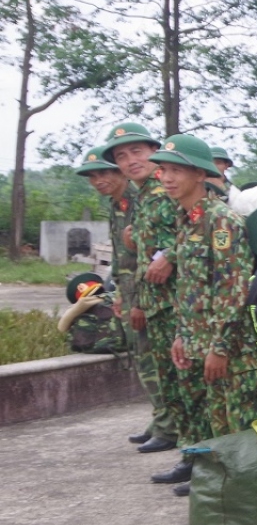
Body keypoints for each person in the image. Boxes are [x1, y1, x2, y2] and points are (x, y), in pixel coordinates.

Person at [145, 135, 257, 495]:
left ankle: (246, 497)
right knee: (211, 424)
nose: (167, 178)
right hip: (200, 341)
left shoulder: (221, 221)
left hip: (234, 350)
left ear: (200, 174)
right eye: (163, 170)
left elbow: (234, 290)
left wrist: (220, 346)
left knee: (242, 432)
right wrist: (182, 335)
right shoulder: (188, 220)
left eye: (176, 170)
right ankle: (211, 480)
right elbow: (190, 287)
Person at [101, 123, 185, 455]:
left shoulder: (167, 189)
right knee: (161, 368)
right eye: (122, 156)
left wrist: (170, 256)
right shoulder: (143, 195)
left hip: (175, 299)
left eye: (137, 151)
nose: (130, 160)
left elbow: (201, 228)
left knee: (175, 369)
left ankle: (177, 431)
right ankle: (168, 425)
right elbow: (140, 255)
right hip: (153, 298)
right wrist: (129, 296)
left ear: (154, 151)